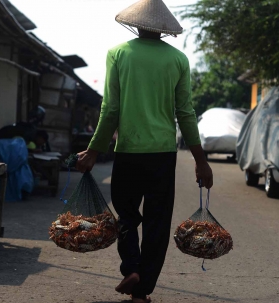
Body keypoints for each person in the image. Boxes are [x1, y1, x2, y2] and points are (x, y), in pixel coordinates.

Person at [74, 0, 213, 302]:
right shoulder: (178, 59)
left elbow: (110, 109)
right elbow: (185, 113)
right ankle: (141, 292)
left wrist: (93, 151)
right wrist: (201, 162)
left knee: (126, 216)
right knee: (157, 223)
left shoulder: (118, 54)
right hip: (163, 155)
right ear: (164, 29)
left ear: (136, 23)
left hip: (128, 153)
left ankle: (131, 268)